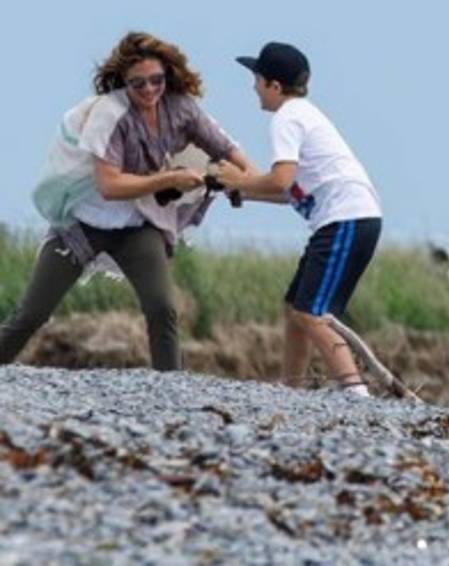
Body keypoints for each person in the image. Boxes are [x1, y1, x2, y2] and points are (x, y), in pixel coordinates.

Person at [0, 31, 253, 371]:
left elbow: (229, 151)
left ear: (168, 75)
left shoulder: (182, 109)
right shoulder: (109, 114)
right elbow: (110, 185)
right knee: (31, 314)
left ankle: (172, 390)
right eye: (138, 84)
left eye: (156, 80)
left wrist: (251, 181)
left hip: (137, 227)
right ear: (123, 82)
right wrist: (169, 179)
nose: (149, 90)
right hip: (82, 226)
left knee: (163, 309)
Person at [215, 41, 382, 397]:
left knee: (312, 312)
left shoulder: (287, 118)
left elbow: (280, 179)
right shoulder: (303, 114)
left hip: (346, 219)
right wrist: (241, 190)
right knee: (295, 307)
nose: (252, 87)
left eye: (257, 79)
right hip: (346, 219)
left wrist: (239, 179)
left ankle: (356, 392)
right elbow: (285, 192)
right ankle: (292, 390)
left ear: (275, 86)